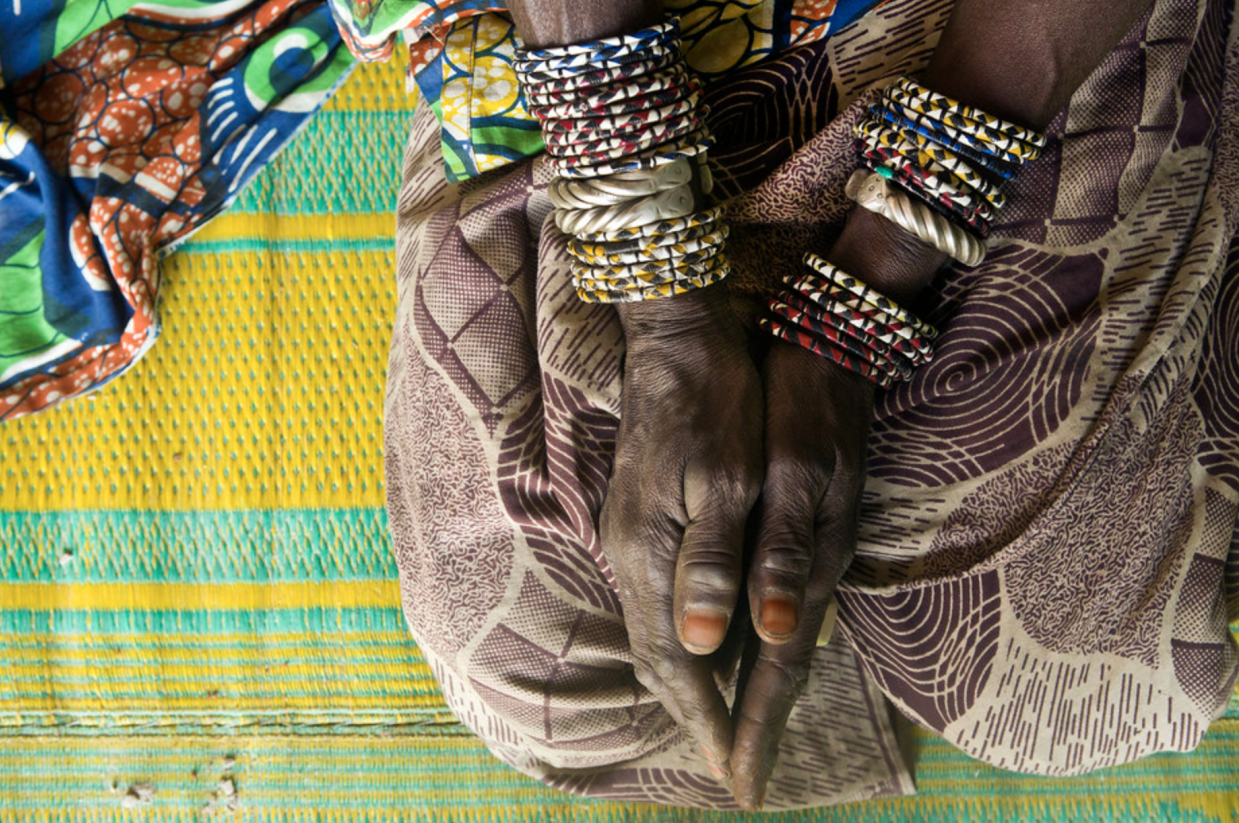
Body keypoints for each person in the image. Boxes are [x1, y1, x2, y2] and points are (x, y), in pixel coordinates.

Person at [371, 0, 1239, 812]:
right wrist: (664, 310)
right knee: (528, 671)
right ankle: (828, 685)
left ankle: (845, 652)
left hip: (992, 43)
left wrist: (855, 311)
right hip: (588, 47)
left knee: (1064, 682)